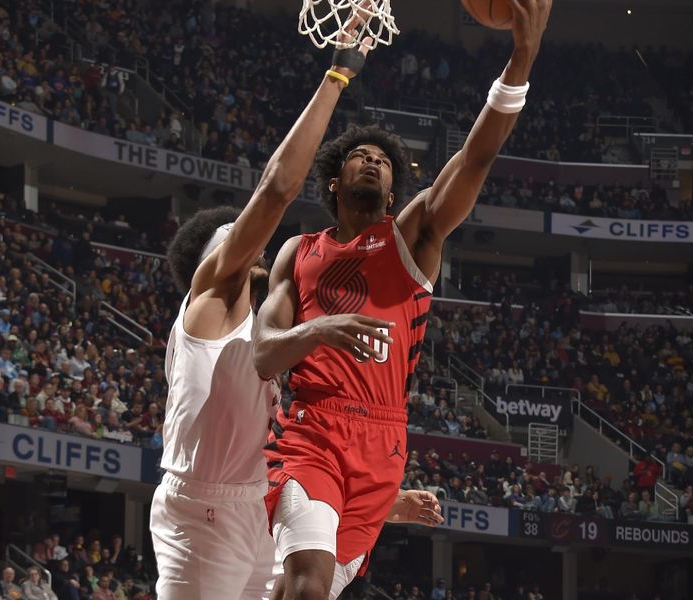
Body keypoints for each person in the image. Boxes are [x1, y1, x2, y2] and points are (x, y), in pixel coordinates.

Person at [254, 2, 552, 597]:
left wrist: (520, 62)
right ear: (335, 181)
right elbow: (264, 352)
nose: (373, 160)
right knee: (308, 585)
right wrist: (317, 332)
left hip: (384, 448)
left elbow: (476, 158)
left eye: (385, 161)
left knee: (292, 592)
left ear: (394, 192)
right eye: (361, 156)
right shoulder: (298, 251)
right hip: (312, 430)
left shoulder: (410, 237)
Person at [148, 16, 443, 600]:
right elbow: (277, 190)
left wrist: (383, 505)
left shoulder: (275, 324)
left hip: (258, 501)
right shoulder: (210, 296)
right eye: (234, 234)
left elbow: (301, 458)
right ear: (213, 257)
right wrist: (337, 73)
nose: (248, 236)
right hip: (202, 511)